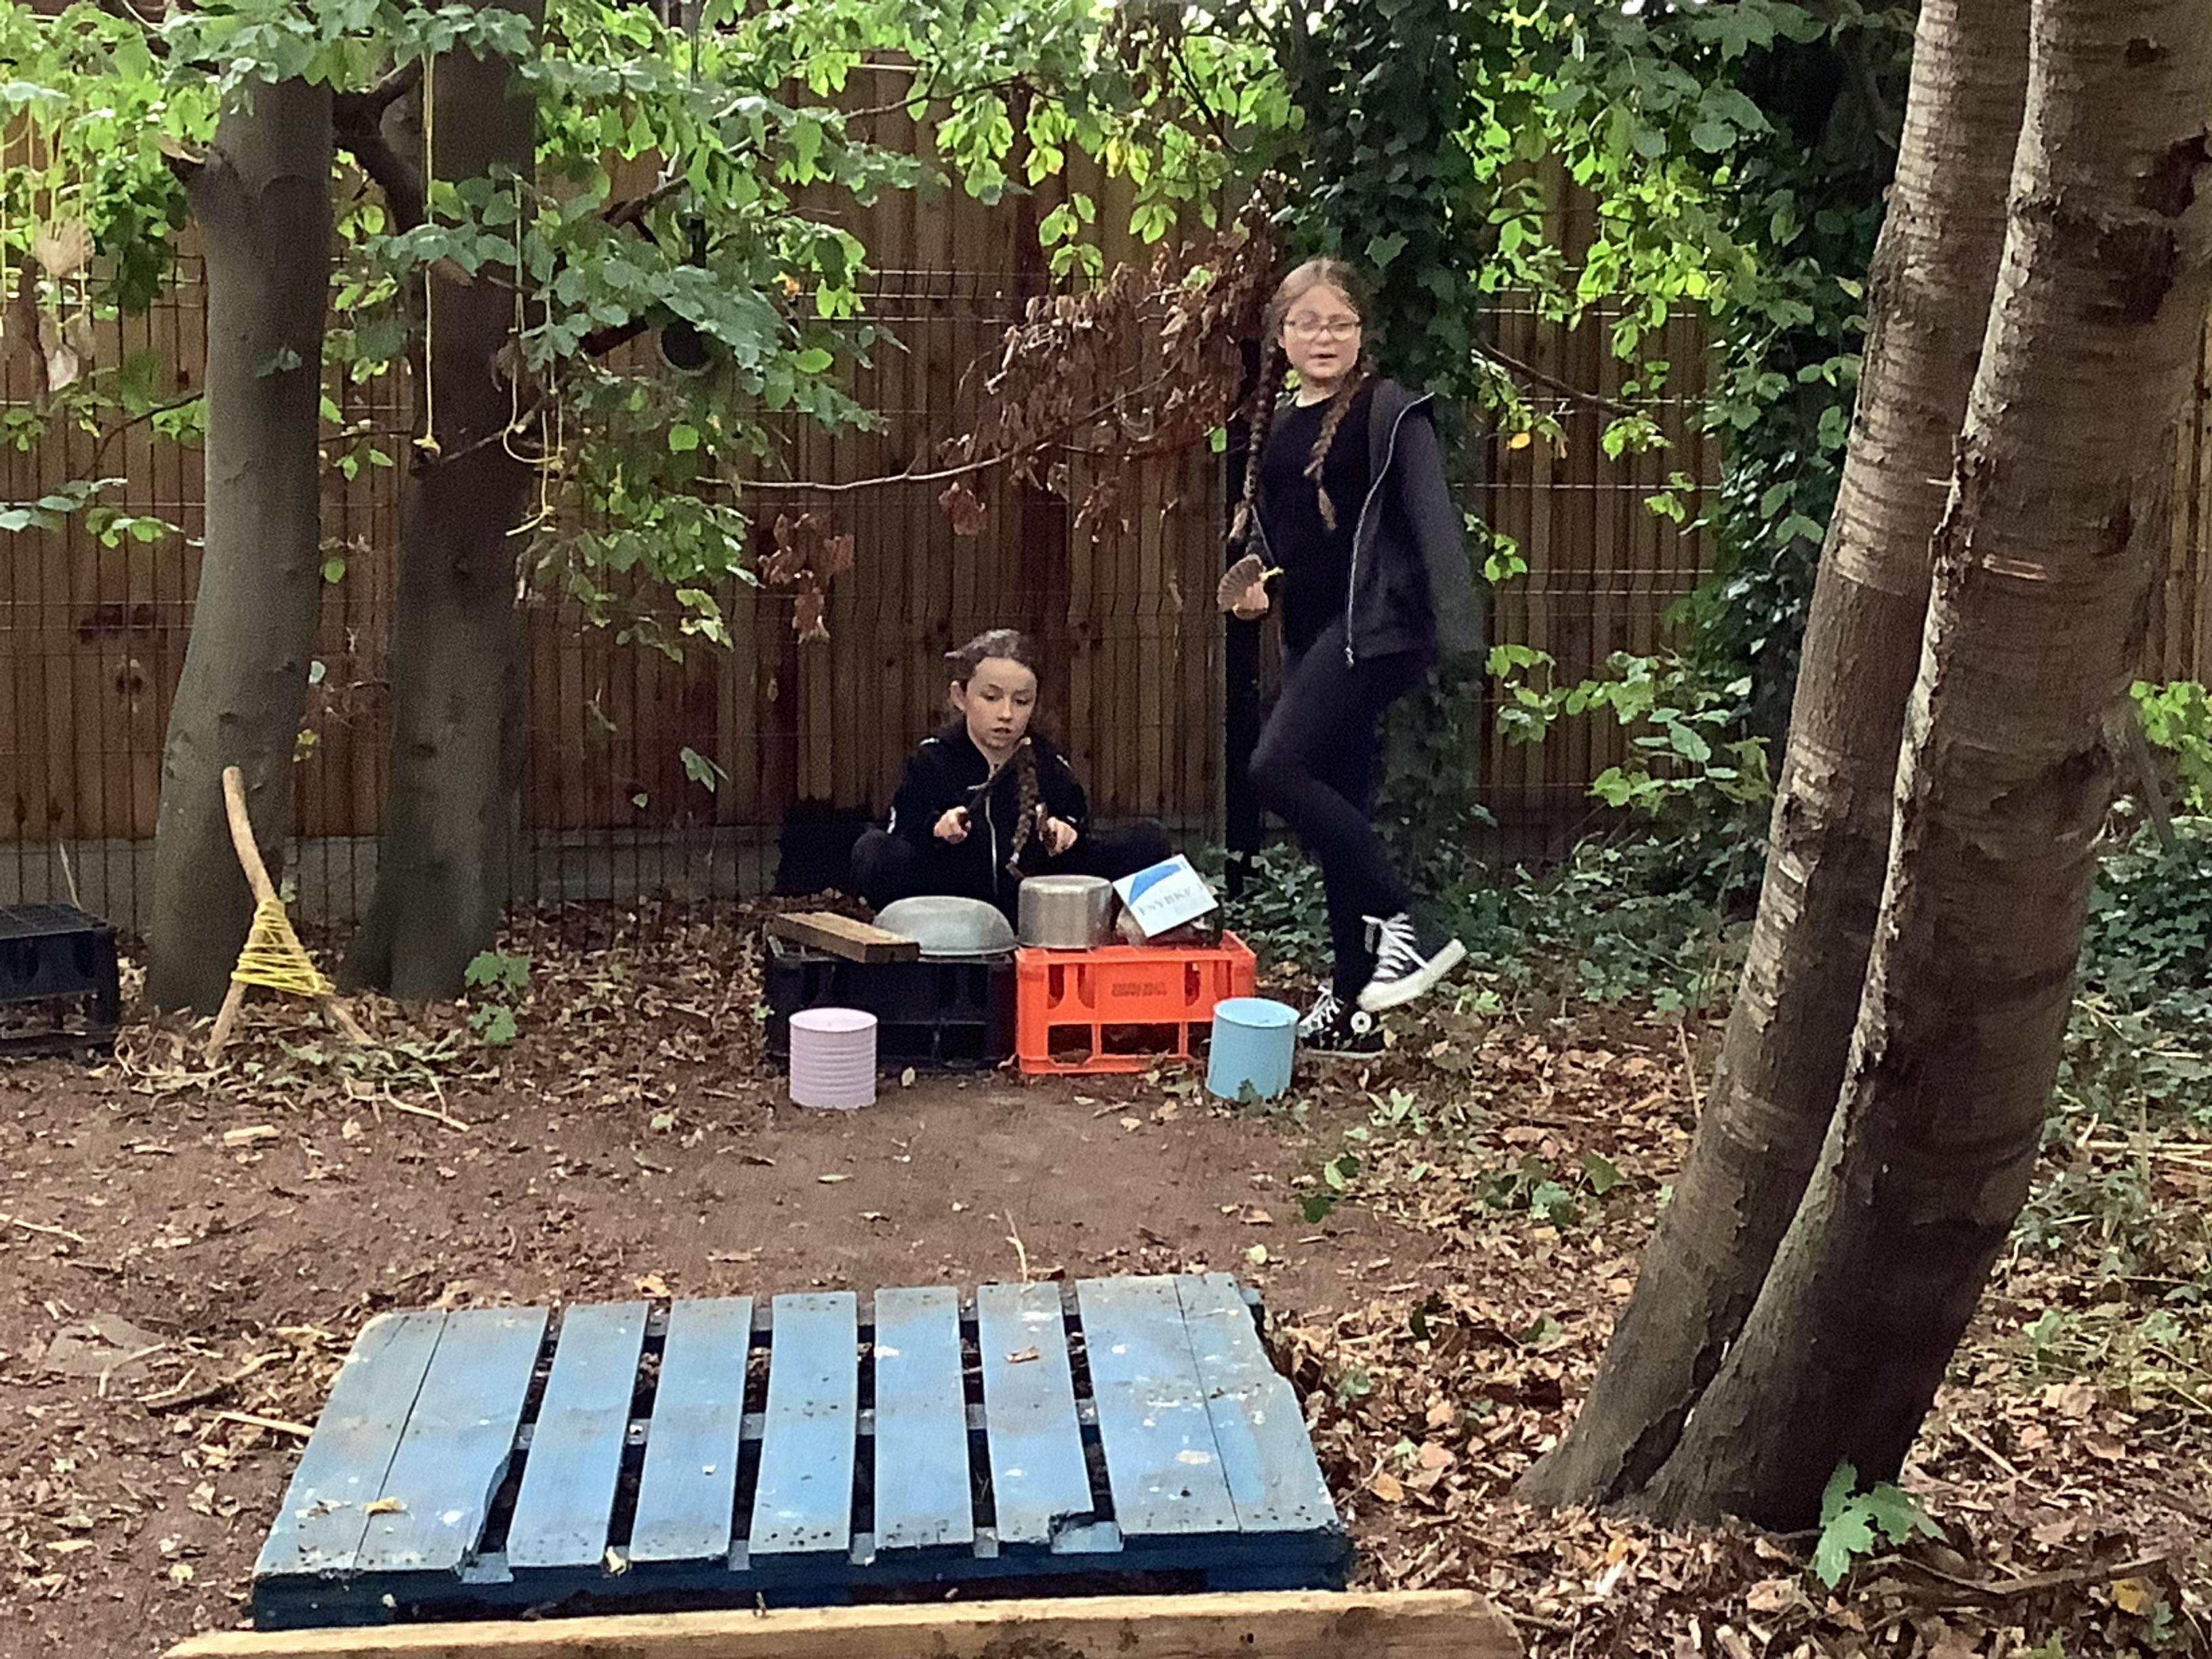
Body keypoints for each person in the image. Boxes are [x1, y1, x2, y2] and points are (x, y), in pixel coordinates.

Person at [1221, 257, 1481, 1054]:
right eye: (1307, 323)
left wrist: (1460, 635)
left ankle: (1412, 925)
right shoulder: (1274, 427)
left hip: (1378, 631)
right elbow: (1279, 538)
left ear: (1362, 333)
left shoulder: (1391, 412)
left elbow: (1435, 524)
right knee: (1339, 811)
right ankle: (1353, 1002)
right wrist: (1254, 583)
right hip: (1313, 638)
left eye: (1339, 322)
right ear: (1282, 336)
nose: (1324, 337)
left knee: (1273, 769)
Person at [849, 629, 1172, 921]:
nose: (1006, 714)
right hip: (952, 901)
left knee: (1148, 839)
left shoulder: (1049, 763)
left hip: (1038, 901)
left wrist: (1065, 832)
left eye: (1021, 702)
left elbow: (1075, 820)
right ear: (961, 697)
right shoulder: (933, 759)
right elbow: (902, 828)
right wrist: (937, 829)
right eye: (991, 698)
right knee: (873, 851)